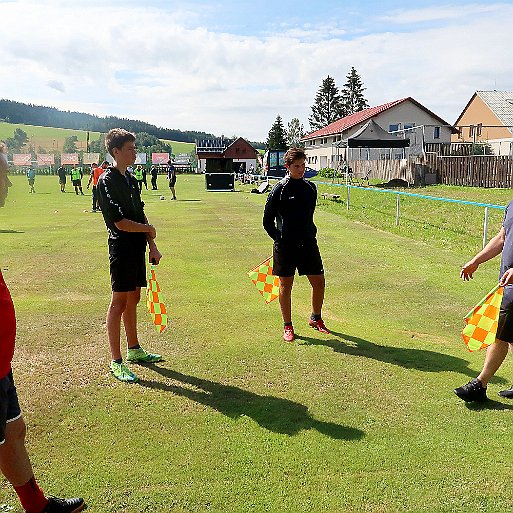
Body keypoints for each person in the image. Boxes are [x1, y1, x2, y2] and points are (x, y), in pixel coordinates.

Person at [0, 143, 85, 512]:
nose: (8, 183)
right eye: (2, 175)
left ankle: (35, 505)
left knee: (12, 433)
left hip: (1, 367)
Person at [97, 128, 163, 383]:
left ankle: (134, 349)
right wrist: (148, 229)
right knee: (118, 303)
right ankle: (116, 361)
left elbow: (139, 214)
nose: (135, 152)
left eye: (135, 148)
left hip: (138, 249)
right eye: (130, 149)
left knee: (134, 298)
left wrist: (152, 245)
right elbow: (120, 223)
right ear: (116, 152)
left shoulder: (132, 180)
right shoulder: (106, 181)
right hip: (121, 249)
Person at [263, 147, 330, 342]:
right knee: (286, 285)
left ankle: (316, 318)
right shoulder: (279, 189)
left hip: (308, 243)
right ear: (288, 167)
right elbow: (267, 221)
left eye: (303, 165)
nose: (301, 170)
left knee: (319, 282)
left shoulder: (310, 188)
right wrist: (280, 239)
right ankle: (288, 326)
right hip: (285, 246)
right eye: (297, 166)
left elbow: (307, 216)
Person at [455, 208, 513, 402]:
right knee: (510, 335)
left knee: (500, 334)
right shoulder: (511, 204)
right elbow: (502, 237)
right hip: (508, 284)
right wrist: (476, 260)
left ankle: (480, 384)